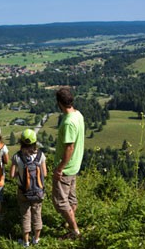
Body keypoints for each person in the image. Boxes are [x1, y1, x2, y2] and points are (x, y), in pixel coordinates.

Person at [52, 87, 85, 239]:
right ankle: (71, 222)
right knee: (71, 198)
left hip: (66, 168)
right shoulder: (78, 115)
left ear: (59, 103)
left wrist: (60, 168)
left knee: (60, 201)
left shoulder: (68, 122)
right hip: (75, 165)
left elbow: (69, 147)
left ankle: (74, 230)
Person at [10, 129, 47, 247]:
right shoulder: (41, 155)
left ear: (21, 142)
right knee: (37, 214)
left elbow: (11, 175)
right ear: (35, 142)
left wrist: (20, 174)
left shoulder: (17, 156)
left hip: (23, 191)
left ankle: (25, 242)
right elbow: (45, 174)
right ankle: (36, 239)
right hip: (38, 192)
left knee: (25, 216)